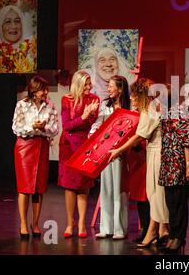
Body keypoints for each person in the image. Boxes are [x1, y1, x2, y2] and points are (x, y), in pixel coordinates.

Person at [108, 78, 169, 248]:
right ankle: (160, 229)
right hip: (155, 152)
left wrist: (119, 150)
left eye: (135, 95)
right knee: (155, 193)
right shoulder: (154, 106)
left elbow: (139, 136)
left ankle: (155, 231)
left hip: (157, 153)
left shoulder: (150, 108)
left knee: (155, 193)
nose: (132, 98)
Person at [12, 75, 59, 239]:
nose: (45, 92)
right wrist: (32, 126)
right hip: (25, 147)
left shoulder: (50, 106)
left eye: (46, 89)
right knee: (24, 188)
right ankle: (24, 224)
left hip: (42, 146)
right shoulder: (22, 105)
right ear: (33, 90)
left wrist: (44, 127)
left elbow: (55, 129)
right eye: (42, 90)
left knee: (39, 188)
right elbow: (16, 127)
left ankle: (36, 223)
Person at [58, 70, 99, 238]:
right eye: (86, 85)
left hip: (84, 145)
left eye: (90, 84)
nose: (89, 87)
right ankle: (70, 223)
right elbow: (67, 126)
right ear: (78, 85)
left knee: (83, 185)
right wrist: (83, 116)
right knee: (69, 186)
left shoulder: (94, 99)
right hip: (68, 146)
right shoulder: (67, 100)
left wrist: (88, 116)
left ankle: (81, 223)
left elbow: (91, 122)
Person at [90, 75, 130, 240]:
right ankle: (106, 227)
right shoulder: (105, 107)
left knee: (119, 190)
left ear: (120, 89)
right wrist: (92, 139)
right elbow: (96, 126)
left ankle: (119, 228)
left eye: (111, 86)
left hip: (121, 153)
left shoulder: (129, 108)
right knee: (105, 188)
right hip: (106, 153)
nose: (108, 89)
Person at [159, 86, 189, 253]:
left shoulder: (182, 112)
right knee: (170, 201)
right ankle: (173, 234)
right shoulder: (165, 113)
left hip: (178, 161)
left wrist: (188, 165)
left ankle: (179, 237)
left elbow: (187, 140)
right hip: (167, 161)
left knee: (179, 200)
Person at [0, 5, 36, 72]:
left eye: (17, 21)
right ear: (1, 26)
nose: (13, 26)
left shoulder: (32, 48)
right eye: (8, 22)